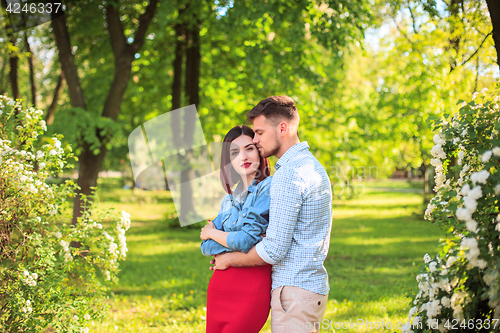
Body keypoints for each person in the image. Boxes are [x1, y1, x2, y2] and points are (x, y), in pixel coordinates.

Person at [210, 96, 333, 333]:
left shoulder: (289, 175)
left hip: (294, 290)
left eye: (259, 133)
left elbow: (274, 248)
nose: (255, 140)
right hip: (306, 287)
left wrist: (227, 258)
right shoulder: (309, 165)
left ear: (283, 128)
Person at [200, 125, 272, 333]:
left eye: (249, 148)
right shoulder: (228, 200)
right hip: (221, 282)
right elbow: (206, 248)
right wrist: (225, 240)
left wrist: (213, 233)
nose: (243, 156)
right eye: (234, 152)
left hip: (252, 284)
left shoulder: (268, 188)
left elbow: (244, 241)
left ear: (259, 151)